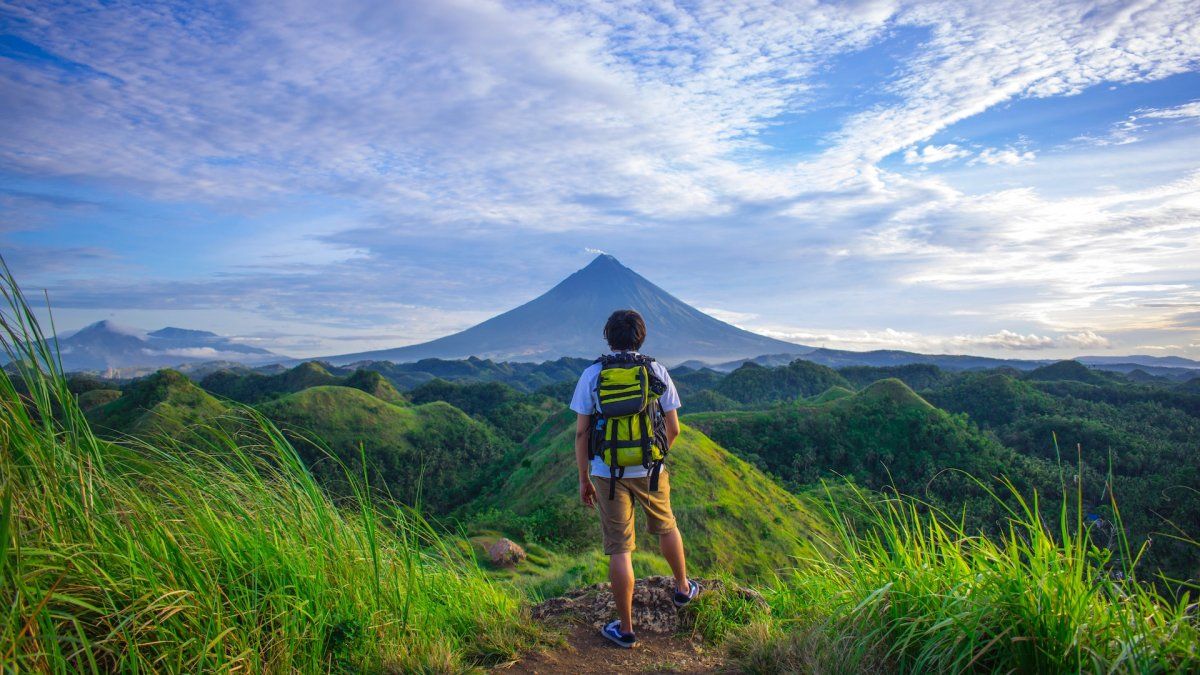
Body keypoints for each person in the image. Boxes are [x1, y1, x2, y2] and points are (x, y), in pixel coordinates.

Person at [569, 309, 699, 649]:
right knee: (666, 525)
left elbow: (582, 434)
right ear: (640, 337)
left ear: (608, 337)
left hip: (606, 472)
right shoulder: (655, 370)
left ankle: (626, 630)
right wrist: (655, 457)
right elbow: (674, 428)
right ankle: (683, 589)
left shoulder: (593, 374)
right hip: (651, 470)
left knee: (620, 548)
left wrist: (584, 478)